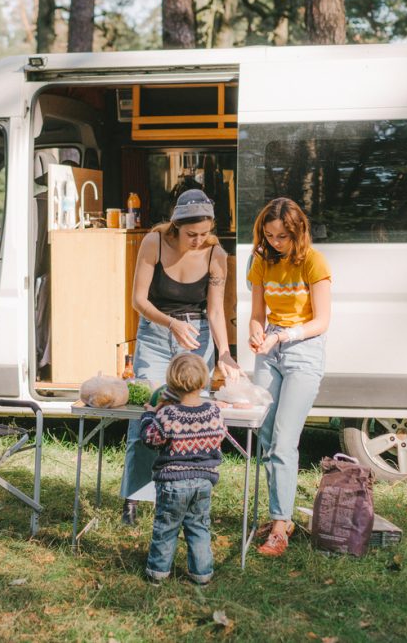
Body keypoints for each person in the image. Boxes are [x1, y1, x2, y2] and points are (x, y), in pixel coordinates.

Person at [121, 188, 243, 525]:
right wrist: (171, 323)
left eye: (204, 234)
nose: (198, 240)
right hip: (157, 334)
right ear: (175, 227)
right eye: (192, 234)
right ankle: (134, 497)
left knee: (191, 422)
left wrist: (225, 353)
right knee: (146, 414)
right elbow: (138, 300)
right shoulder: (154, 243)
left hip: (196, 338)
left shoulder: (216, 253)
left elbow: (216, 311)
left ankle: (188, 499)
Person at [247, 197, 332, 558]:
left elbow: (322, 321)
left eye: (282, 236)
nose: (275, 243)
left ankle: (280, 525)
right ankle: (279, 515)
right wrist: (255, 333)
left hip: (303, 349)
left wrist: (283, 335)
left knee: (284, 438)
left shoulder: (314, 262)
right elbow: (256, 313)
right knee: (266, 434)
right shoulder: (261, 261)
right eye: (269, 236)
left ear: (297, 233)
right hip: (271, 346)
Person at [138, 353, 225, 585]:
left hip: (173, 482)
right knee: (198, 526)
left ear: (171, 383)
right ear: (203, 381)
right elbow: (219, 437)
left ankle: (158, 573)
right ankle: (202, 573)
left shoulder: (169, 414)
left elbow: (149, 439)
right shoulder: (214, 412)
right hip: (204, 480)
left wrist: (149, 414)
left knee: (166, 527)